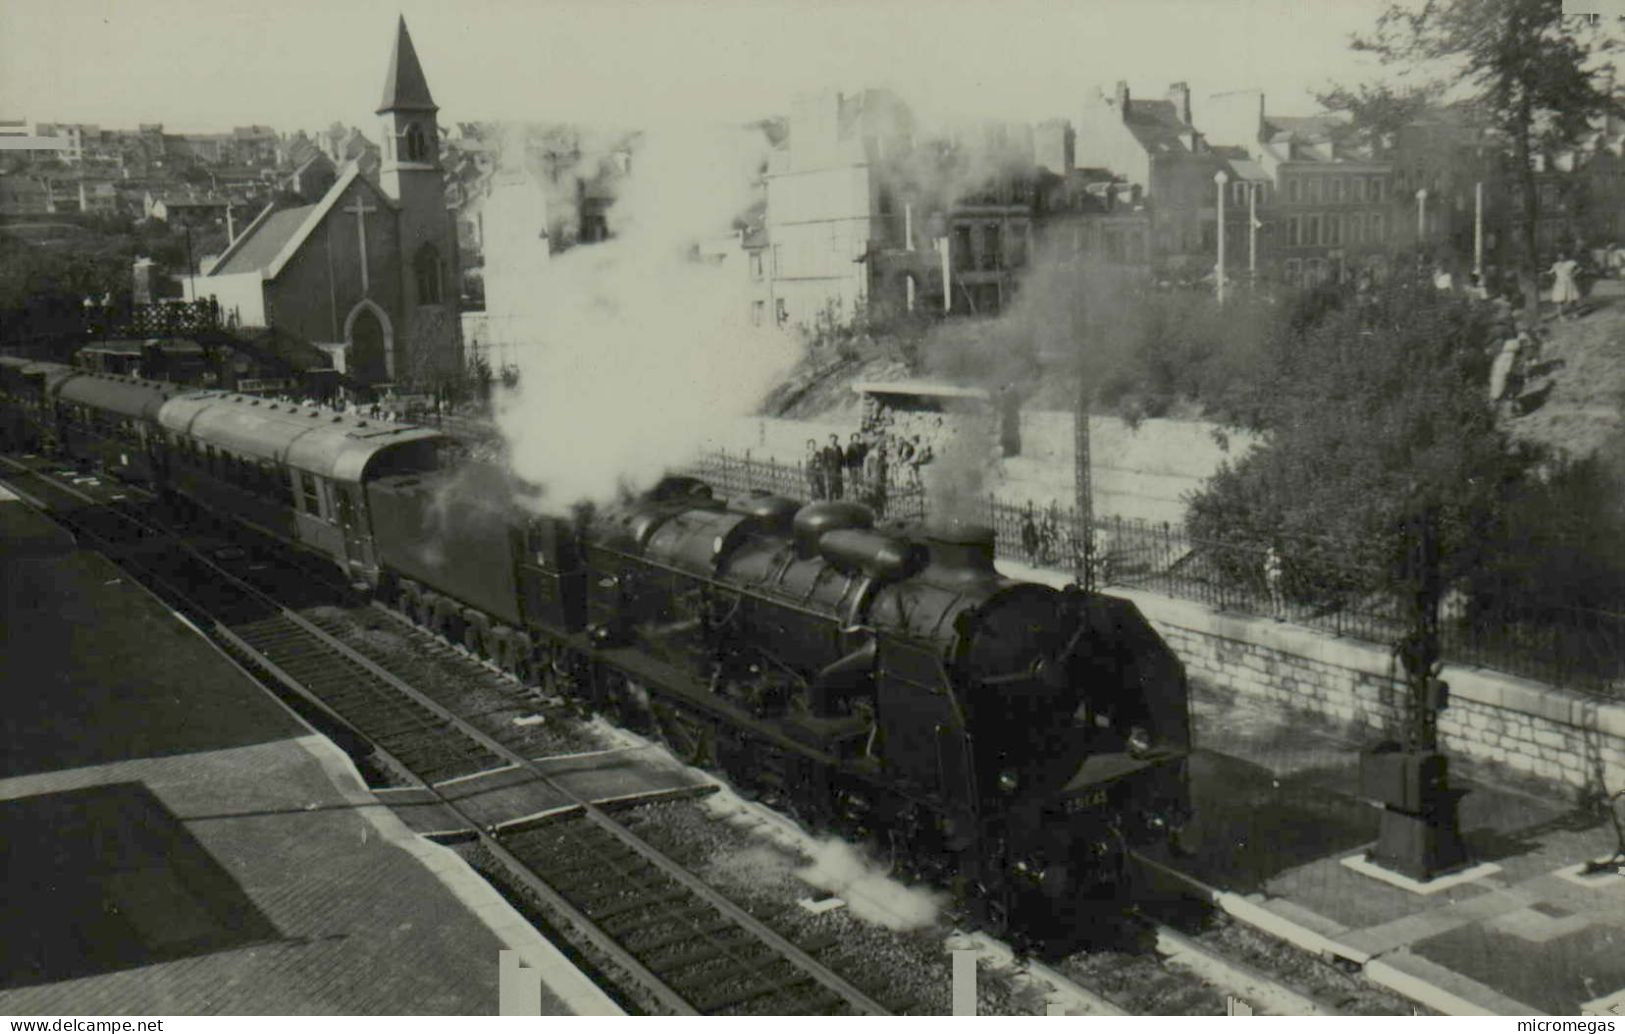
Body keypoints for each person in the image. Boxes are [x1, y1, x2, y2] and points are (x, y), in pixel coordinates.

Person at [1489, 335, 1522, 404]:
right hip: (1507, 376)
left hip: (1500, 377)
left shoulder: (1502, 356)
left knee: (1500, 392)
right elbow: (1509, 368)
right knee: (1509, 393)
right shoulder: (1511, 355)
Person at [1549, 253, 1581, 320]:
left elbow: (1579, 269)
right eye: (1559, 256)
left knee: (1572, 298)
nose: (1561, 257)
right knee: (1560, 300)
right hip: (1560, 283)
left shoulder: (1571, 263)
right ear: (1557, 257)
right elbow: (1550, 273)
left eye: (1563, 256)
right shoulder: (1556, 265)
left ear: (1565, 256)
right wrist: (1555, 278)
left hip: (1569, 281)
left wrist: (1573, 274)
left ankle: (1575, 313)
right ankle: (1560, 316)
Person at [1263, 545, 1286, 619]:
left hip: (1277, 577)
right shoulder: (1267, 559)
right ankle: (1275, 612)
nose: (1270, 552)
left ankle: (1282, 612)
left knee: (1279, 594)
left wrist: (1271, 565)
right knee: (1274, 595)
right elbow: (1266, 568)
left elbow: (1278, 566)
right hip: (1271, 577)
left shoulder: (1277, 559)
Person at [823, 434, 845, 501]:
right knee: (830, 487)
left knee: (839, 486)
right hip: (830, 471)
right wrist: (826, 469)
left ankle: (839, 501)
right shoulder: (826, 449)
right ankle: (830, 501)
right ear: (829, 440)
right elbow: (824, 461)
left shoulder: (839, 448)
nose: (833, 441)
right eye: (832, 439)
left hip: (838, 470)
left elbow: (842, 459)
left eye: (835, 439)